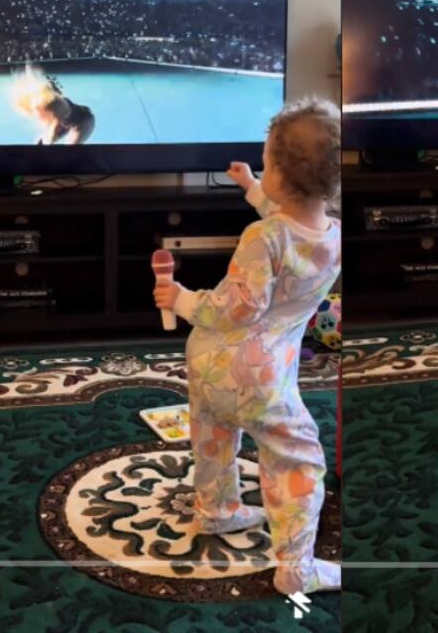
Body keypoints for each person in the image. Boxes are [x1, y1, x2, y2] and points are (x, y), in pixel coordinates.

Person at [154, 97, 342, 593]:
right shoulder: (333, 240)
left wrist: (181, 300)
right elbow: (293, 228)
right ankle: (295, 565)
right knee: (298, 457)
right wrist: (253, 188)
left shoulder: (262, 236)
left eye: (265, 162)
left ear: (279, 174)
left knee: (213, 439)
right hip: (262, 379)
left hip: (210, 361)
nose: (262, 169)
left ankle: (215, 509)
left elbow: (236, 306)